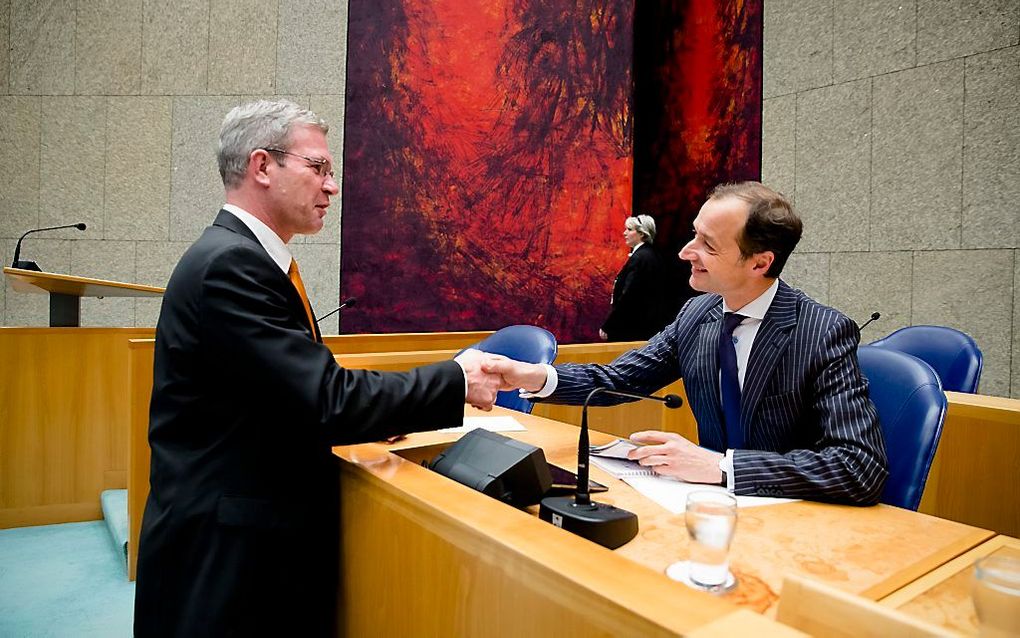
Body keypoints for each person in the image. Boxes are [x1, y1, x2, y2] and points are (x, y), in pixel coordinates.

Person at [134, 100, 503, 637]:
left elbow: (285, 400)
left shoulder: (241, 258)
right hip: (230, 558)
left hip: (239, 540)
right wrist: (457, 378)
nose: (333, 187)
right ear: (262, 167)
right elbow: (327, 400)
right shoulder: (231, 267)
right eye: (319, 168)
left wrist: (378, 414)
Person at [489, 181, 888, 505]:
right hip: (705, 512)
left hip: (794, 525)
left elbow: (859, 466)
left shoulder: (823, 331)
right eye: (694, 235)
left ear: (759, 263)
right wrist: (533, 375)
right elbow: (619, 379)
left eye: (708, 245)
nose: (685, 252)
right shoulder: (696, 314)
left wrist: (723, 468)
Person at [599, 214, 669, 342]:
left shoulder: (640, 258)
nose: (625, 233)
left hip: (632, 328)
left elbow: (629, 295)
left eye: (629, 230)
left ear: (642, 234)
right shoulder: (653, 255)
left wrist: (609, 325)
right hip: (647, 326)